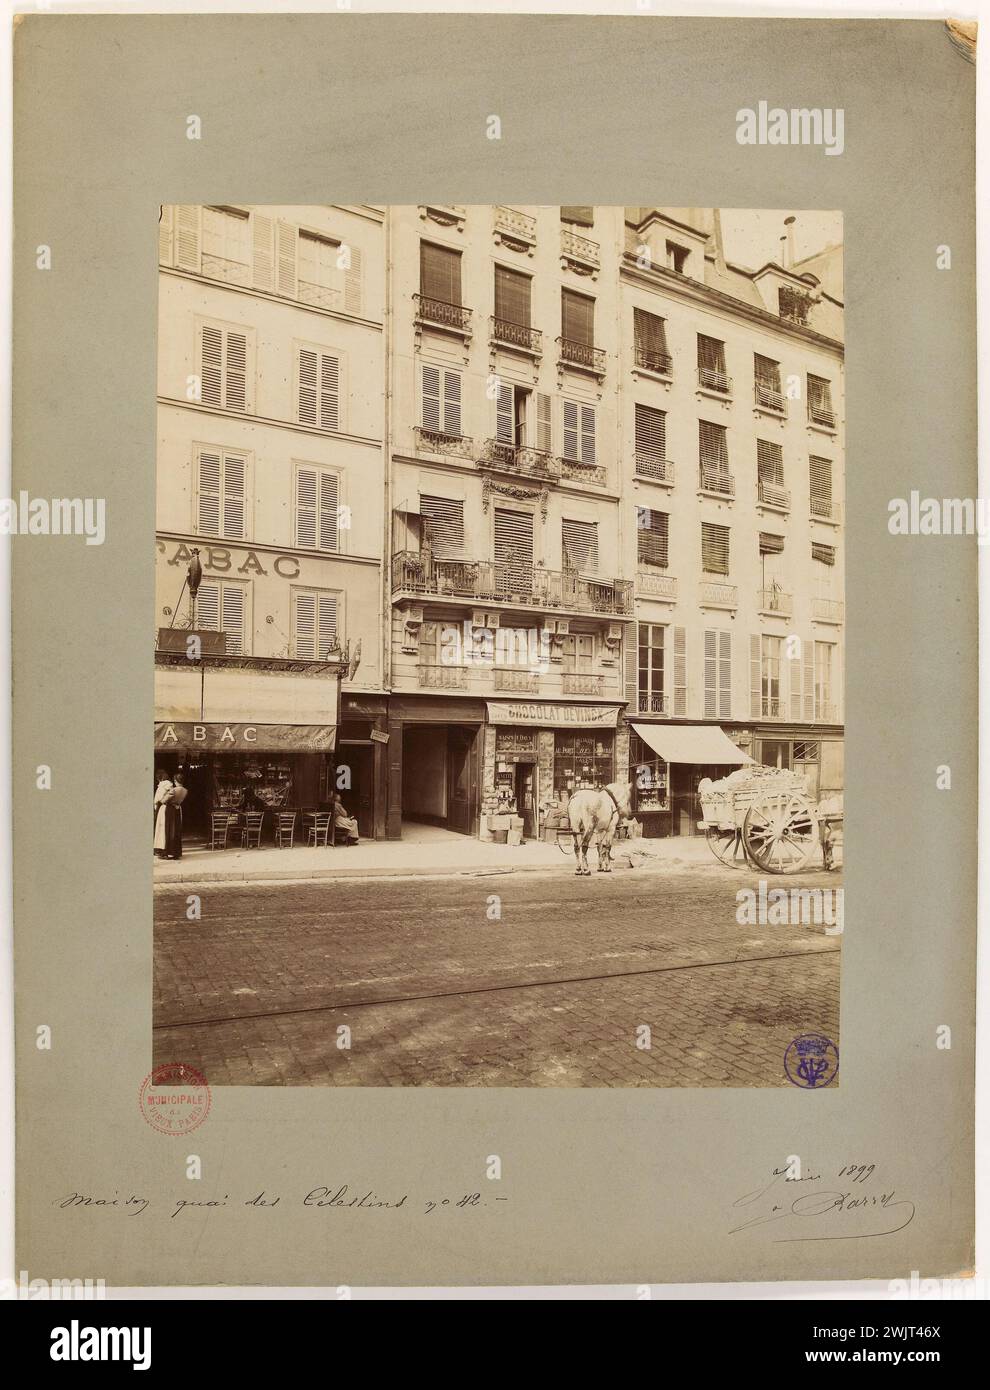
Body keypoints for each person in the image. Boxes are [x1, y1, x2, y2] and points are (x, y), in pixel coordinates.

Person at [153, 770, 175, 859]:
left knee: (161, 829)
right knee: (165, 829)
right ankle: (165, 849)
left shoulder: (161, 786)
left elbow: (157, 799)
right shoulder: (170, 785)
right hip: (168, 808)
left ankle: (161, 849)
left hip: (161, 808)